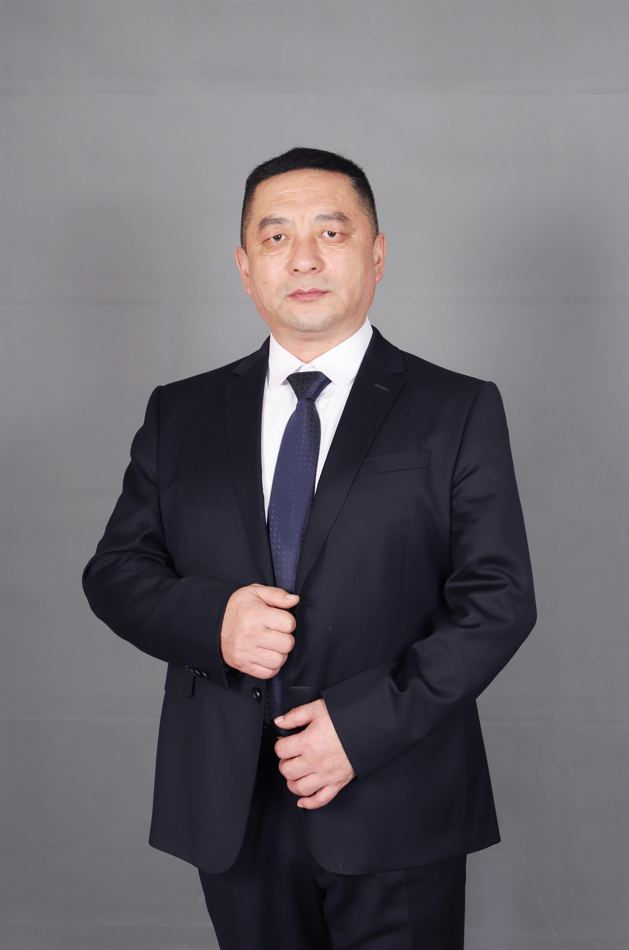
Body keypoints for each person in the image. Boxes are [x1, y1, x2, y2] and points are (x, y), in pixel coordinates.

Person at [82, 147, 536, 949]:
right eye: (275, 237)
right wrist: (214, 620)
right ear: (244, 267)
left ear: (376, 253)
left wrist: (361, 730)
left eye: (330, 232)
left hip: (396, 791)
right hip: (231, 804)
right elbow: (116, 572)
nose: (303, 259)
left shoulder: (456, 408)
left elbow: (497, 601)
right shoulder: (179, 414)